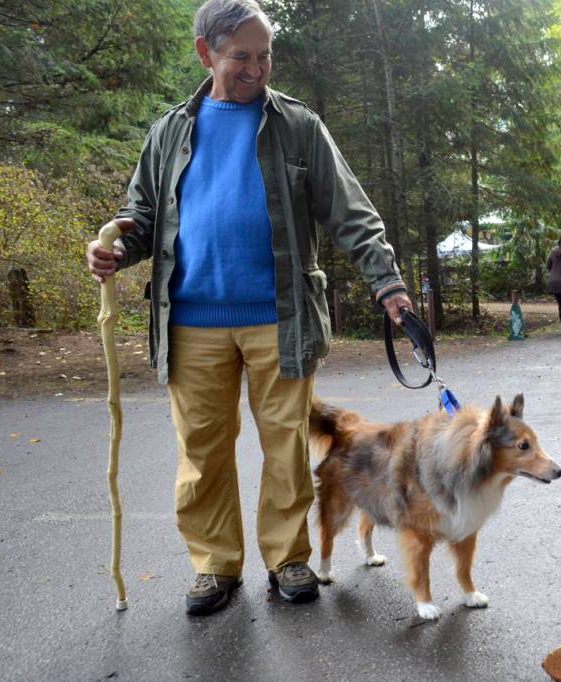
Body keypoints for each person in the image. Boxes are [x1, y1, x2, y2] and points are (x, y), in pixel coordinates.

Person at [84, 0, 412, 617]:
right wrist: (114, 249)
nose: (256, 69)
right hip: (190, 320)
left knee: (285, 446)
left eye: (265, 56)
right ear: (206, 53)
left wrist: (387, 282)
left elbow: (351, 213)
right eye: (242, 57)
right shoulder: (170, 131)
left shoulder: (297, 124)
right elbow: (142, 219)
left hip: (278, 318)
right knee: (202, 452)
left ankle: (288, 558)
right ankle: (214, 567)